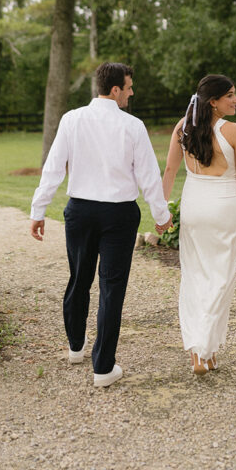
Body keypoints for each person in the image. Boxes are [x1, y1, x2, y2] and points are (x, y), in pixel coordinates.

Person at [30, 62, 172, 388]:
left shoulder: (71, 119)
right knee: (111, 289)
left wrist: (38, 211)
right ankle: (103, 369)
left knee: (79, 278)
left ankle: (76, 348)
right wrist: (161, 216)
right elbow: (148, 176)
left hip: (80, 212)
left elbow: (53, 169)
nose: (132, 92)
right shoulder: (133, 126)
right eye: (130, 87)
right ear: (116, 89)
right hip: (119, 216)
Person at [162, 74, 236, 375]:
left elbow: (170, 171)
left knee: (194, 276)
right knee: (221, 279)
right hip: (226, 207)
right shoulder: (235, 132)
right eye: (230, 95)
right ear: (213, 101)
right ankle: (203, 346)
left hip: (194, 205)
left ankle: (204, 351)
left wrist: (162, 209)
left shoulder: (182, 127)